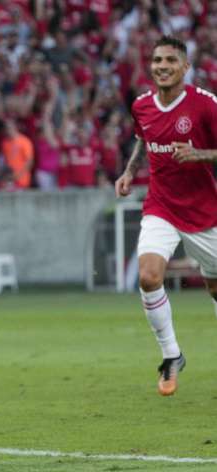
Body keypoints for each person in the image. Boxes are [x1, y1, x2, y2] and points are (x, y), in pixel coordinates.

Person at [115, 36, 217, 396]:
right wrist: (129, 172)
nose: (162, 66)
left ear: (185, 67)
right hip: (161, 207)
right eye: (157, 60)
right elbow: (144, 139)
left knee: (215, 287)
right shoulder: (141, 105)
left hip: (205, 212)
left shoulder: (205, 105)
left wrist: (200, 156)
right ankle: (172, 355)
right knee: (148, 276)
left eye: (170, 60)